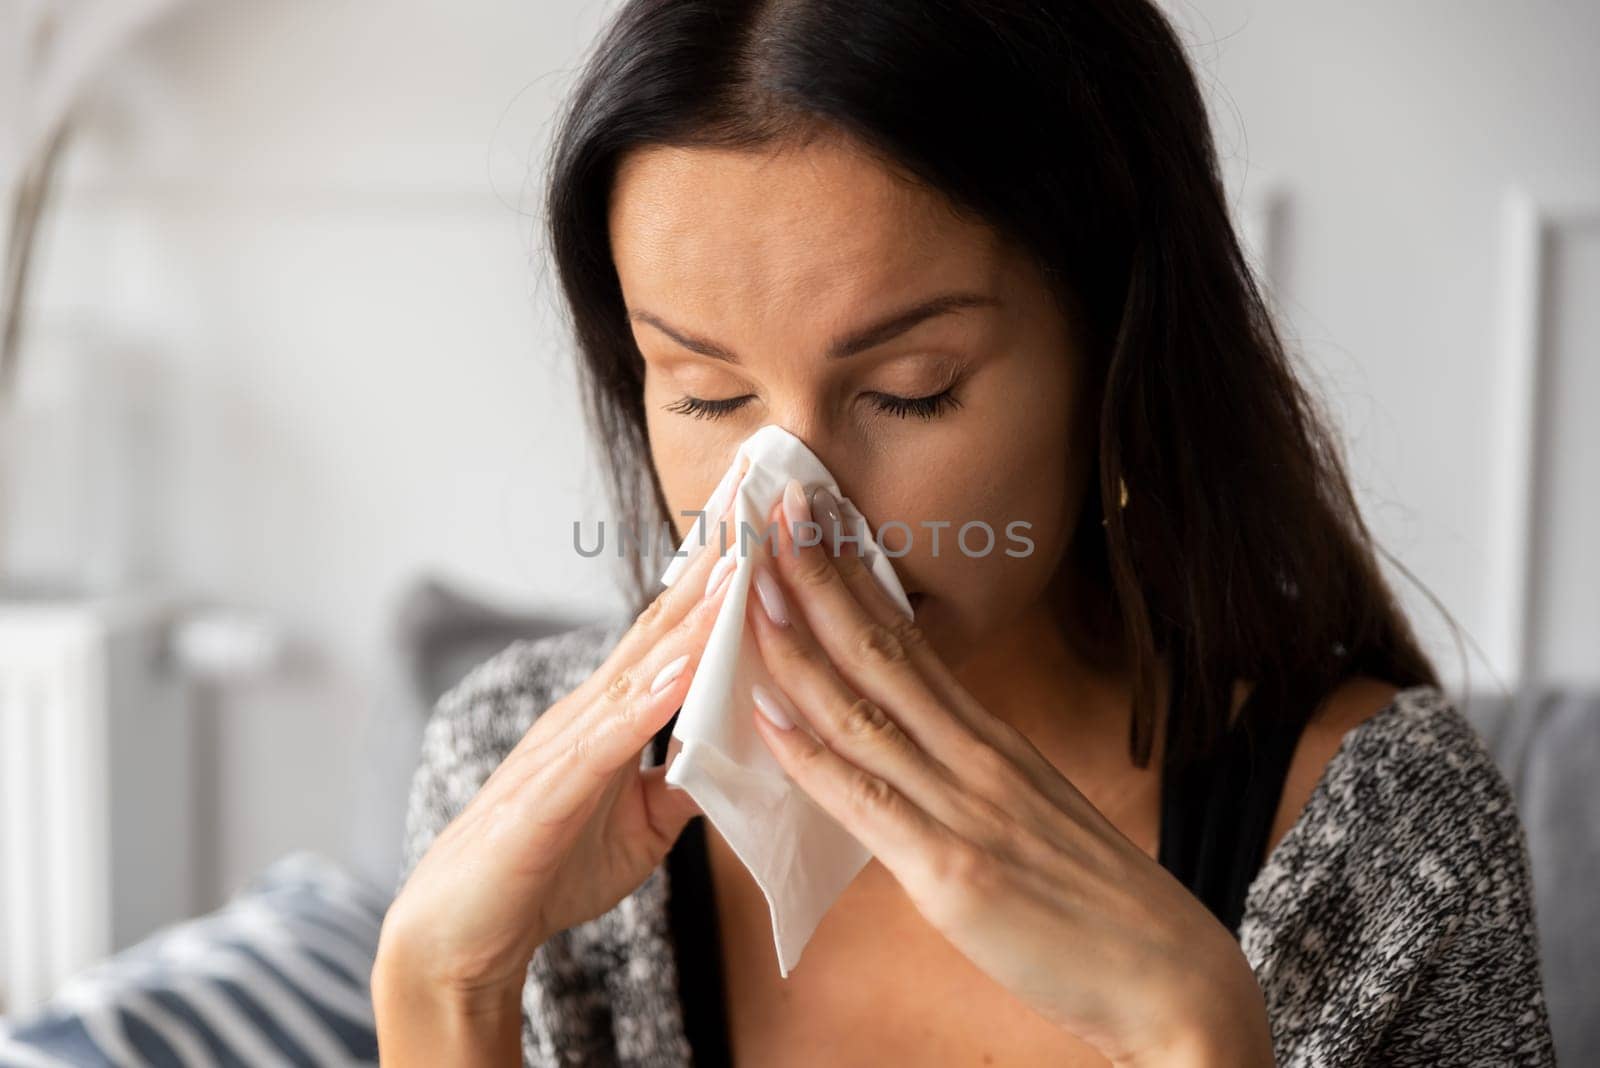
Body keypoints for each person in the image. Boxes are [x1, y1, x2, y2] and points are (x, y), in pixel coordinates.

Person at [371, 0, 1557, 1064]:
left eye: (912, 389)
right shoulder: (512, 774)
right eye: (704, 392)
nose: (788, 510)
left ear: (1113, 361)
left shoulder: (1379, 837)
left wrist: (1192, 1032)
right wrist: (440, 991)